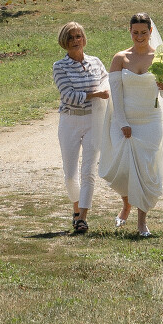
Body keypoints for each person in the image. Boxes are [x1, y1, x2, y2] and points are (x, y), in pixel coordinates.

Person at [97, 11, 163, 237]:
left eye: (143, 33)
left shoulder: (160, 58)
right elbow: (116, 94)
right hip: (124, 119)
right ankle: (126, 204)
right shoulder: (120, 58)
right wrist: (122, 122)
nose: (139, 37)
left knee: (146, 170)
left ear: (150, 32)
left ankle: (142, 221)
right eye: (135, 32)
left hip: (150, 121)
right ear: (129, 31)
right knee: (122, 169)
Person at [51, 21, 110, 235]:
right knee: (70, 174)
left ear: (84, 39)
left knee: (89, 170)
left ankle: (83, 217)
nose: (75, 41)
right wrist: (95, 95)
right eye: (71, 37)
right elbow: (68, 96)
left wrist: (104, 92)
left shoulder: (95, 62)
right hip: (70, 121)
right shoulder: (60, 67)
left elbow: (106, 83)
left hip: (93, 120)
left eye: (78, 36)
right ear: (64, 42)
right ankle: (76, 208)